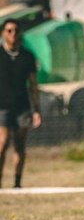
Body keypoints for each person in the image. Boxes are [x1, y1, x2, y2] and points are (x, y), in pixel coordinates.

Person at [0, 19, 42, 189]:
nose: (13, 34)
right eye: (9, 31)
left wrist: (37, 109)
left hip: (22, 106)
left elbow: (33, 84)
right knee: (2, 143)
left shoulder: (27, 57)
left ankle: (17, 182)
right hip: (2, 105)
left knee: (19, 144)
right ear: (3, 33)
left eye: (16, 30)